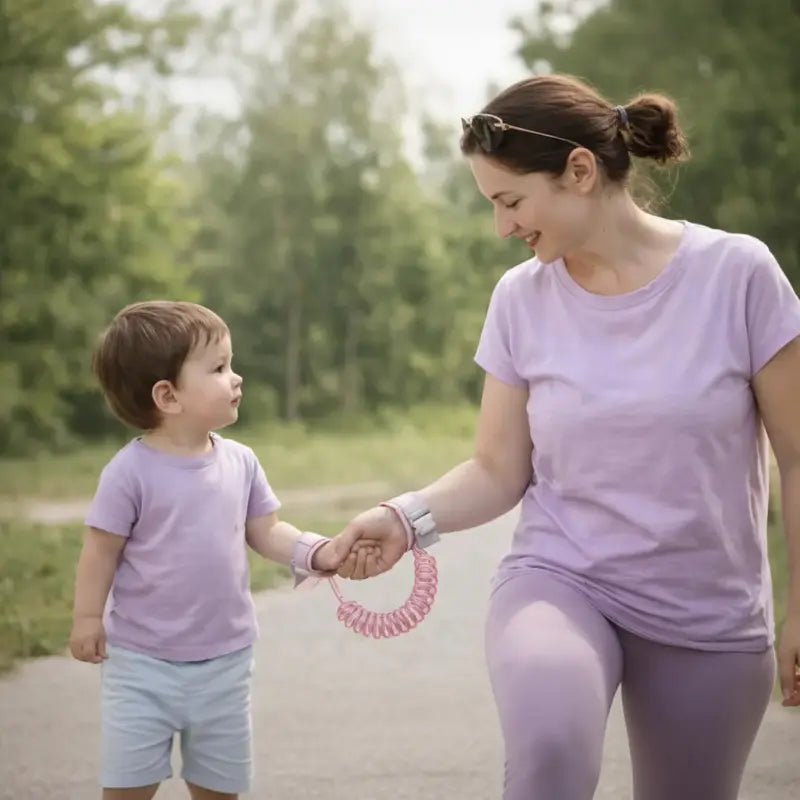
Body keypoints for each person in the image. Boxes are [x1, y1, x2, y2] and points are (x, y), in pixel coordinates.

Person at [334, 74, 800, 800]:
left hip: (709, 612)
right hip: (564, 582)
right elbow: (497, 468)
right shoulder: (521, 299)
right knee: (550, 752)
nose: (501, 228)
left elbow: (797, 455)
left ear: (579, 171)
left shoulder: (739, 275)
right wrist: (404, 517)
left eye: (510, 201)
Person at [68, 301, 359, 800]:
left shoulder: (240, 462)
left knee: (219, 788)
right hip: (142, 664)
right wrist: (87, 618)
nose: (237, 378)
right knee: (128, 787)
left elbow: (267, 531)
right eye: (220, 368)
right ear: (168, 395)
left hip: (224, 661)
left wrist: (318, 551)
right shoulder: (129, 473)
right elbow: (101, 550)